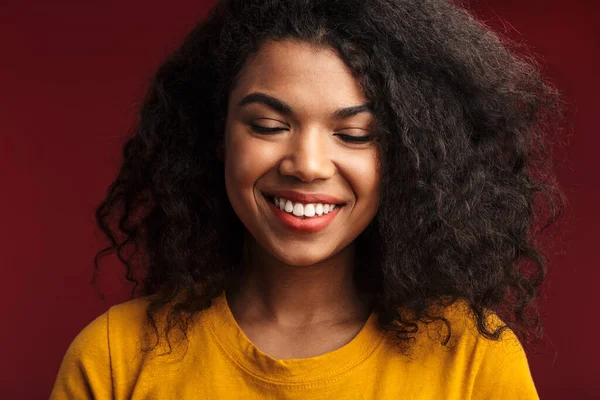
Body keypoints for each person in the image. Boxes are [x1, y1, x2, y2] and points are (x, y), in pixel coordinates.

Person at [50, 0, 564, 398]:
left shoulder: (472, 363)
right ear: (217, 133)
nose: (308, 164)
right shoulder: (116, 359)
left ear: (412, 155)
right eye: (270, 125)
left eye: (355, 134)